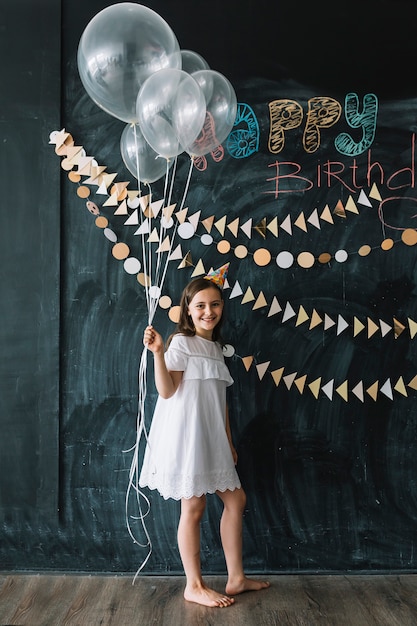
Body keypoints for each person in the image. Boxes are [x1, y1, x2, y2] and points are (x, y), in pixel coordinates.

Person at [139, 273, 270, 608]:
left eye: (214, 304)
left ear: (222, 307)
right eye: (200, 306)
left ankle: (236, 578)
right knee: (194, 506)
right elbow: (167, 391)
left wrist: (228, 442)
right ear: (188, 309)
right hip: (188, 438)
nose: (208, 311)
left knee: (235, 499)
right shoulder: (181, 343)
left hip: (212, 439)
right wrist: (158, 352)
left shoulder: (215, 349)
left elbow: (219, 404)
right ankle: (193, 585)